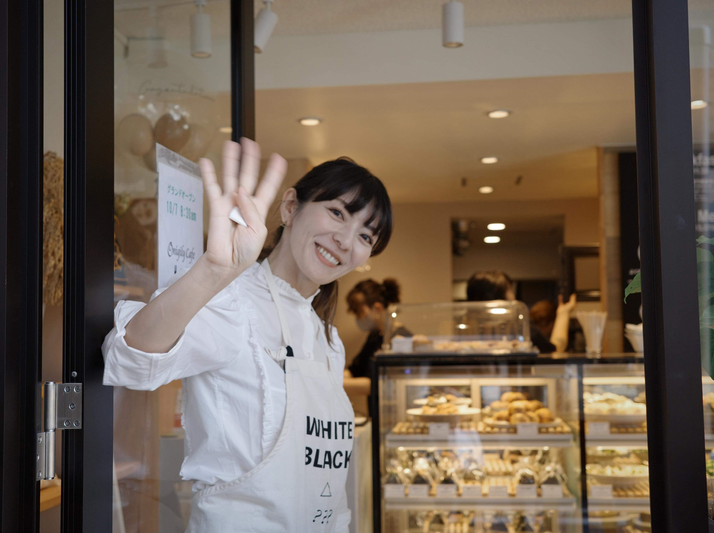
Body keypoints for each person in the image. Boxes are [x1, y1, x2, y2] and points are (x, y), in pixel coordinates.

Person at [102, 139, 393, 532]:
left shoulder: (328, 339)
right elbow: (129, 361)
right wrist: (213, 271)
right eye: (337, 213)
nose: (345, 240)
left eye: (365, 237)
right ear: (290, 208)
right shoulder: (232, 300)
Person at [465, 270, 576, 353]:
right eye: (509, 290)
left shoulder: (466, 325)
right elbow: (556, 349)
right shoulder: (519, 326)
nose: (513, 296)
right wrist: (564, 313)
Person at [345, 278, 410, 378]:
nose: (358, 318)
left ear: (377, 308)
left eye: (360, 312)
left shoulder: (401, 338)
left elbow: (375, 382)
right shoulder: (375, 336)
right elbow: (355, 369)